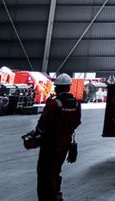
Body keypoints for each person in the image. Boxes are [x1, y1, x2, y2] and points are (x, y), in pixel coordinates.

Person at [36, 73, 81, 201]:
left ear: (57, 88)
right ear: (69, 87)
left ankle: (48, 198)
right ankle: (56, 194)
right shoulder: (76, 104)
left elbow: (43, 123)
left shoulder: (54, 104)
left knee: (45, 173)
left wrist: (36, 134)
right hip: (66, 143)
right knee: (56, 170)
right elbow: (77, 122)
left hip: (51, 143)